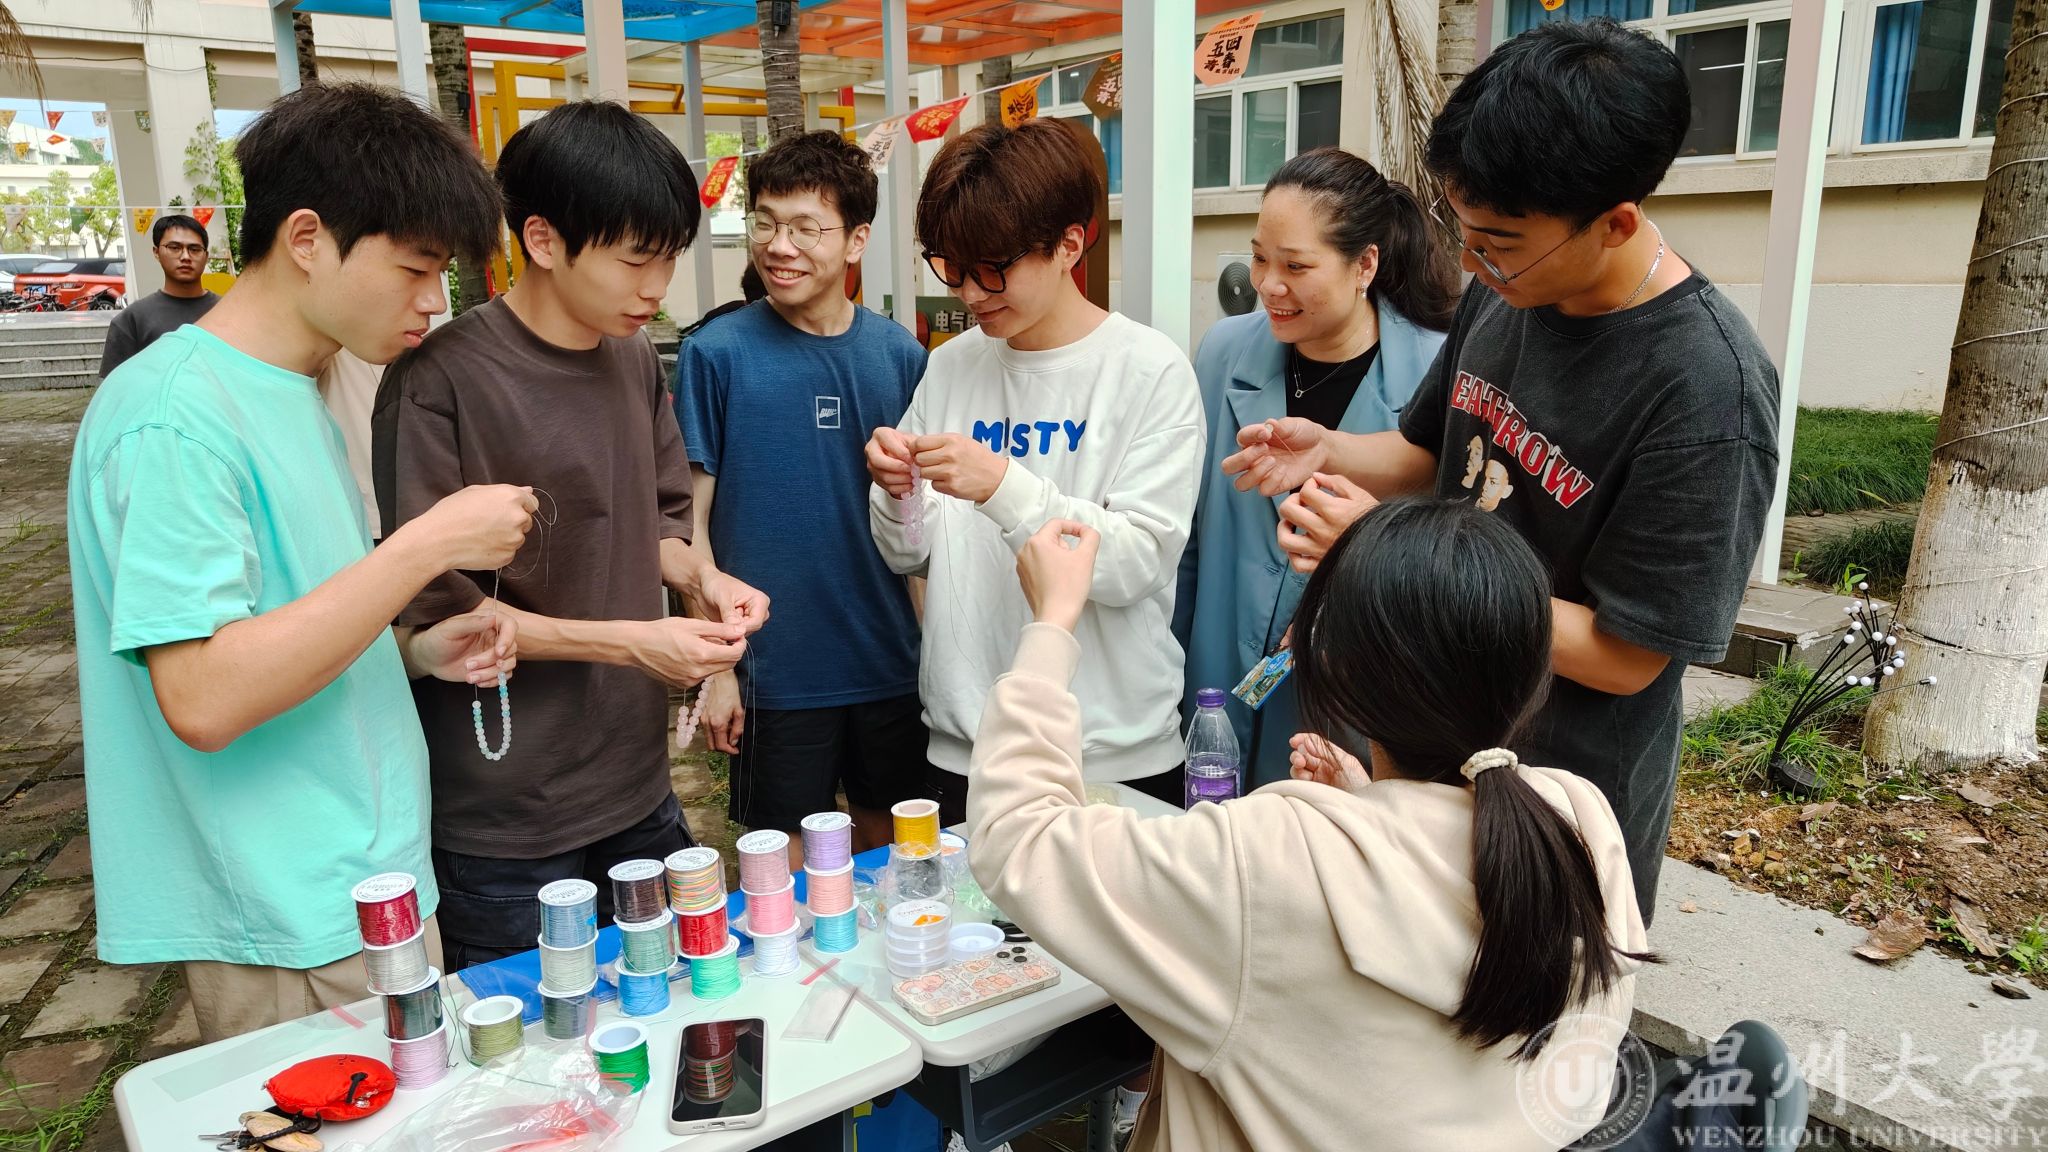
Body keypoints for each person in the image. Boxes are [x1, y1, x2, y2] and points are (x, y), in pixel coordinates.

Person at [1224, 18, 1780, 921]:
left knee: (1522, 1003)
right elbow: (1429, 452)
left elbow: (1628, 658)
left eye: (1498, 242)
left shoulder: (1708, 392)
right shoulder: (1508, 286)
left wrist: (1387, 551)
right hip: (1423, 744)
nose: (1471, 261)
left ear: (1616, 222)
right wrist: (1329, 448)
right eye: (1465, 231)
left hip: (1557, 793)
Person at [67, 82, 536, 1043]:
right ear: (308, 238)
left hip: (365, 882)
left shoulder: (297, 384)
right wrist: (427, 544)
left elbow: (288, 618)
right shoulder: (176, 418)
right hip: (288, 915)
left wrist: (411, 655)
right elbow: (204, 694)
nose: (432, 300)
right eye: (414, 268)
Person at [968, 501, 1648, 1152]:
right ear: (1533, 674)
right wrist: (1370, 806)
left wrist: (1052, 624)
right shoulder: (1580, 819)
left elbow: (1018, 837)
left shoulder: (1270, 858)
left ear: (1339, 671)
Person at [373, 100, 767, 972]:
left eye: (669, 259)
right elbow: (441, 615)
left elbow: (657, 522)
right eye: (635, 259)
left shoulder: (633, 356)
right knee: (530, 1037)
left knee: (668, 1003)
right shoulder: (439, 381)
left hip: (635, 783)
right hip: (508, 808)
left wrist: (703, 583)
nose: (657, 288)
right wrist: (634, 644)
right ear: (544, 240)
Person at [866, 117, 1205, 820]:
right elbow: (910, 553)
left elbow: (1138, 561)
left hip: (1112, 755)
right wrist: (898, 492)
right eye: (951, 268)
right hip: (965, 746)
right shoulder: (952, 366)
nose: (969, 293)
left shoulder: (1149, 370)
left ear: (1069, 245)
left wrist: (1002, 487)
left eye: (992, 269)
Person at [675, 130, 930, 865]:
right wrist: (719, 665)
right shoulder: (715, 354)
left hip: (890, 663)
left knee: (900, 859)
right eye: (764, 222)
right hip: (773, 670)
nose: (778, 246)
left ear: (856, 240)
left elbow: (922, 523)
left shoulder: (901, 356)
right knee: (780, 875)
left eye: (805, 228)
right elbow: (689, 526)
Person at [1173, 148, 1456, 788]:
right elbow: (1190, 536)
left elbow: (1453, 551)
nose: (1269, 285)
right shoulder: (1223, 352)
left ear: (1365, 265)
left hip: (1361, 704)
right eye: (1260, 258)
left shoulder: (1441, 372)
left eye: (1296, 266)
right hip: (1216, 692)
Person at [98, 213, 218, 377]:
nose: (185, 256)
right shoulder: (133, 320)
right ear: (156, 252)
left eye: (195, 249)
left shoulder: (228, 311)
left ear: (206, 256)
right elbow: (116, 386)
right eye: (174, 248)